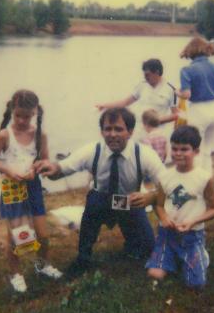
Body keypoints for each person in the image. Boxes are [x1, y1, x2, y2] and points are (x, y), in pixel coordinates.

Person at [34, 107, 167, 279]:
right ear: (102, 131)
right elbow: (62, 168)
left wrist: (151, 197)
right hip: (101, 199)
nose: (112, 134)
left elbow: (168, 184)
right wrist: (51, 168)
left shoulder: (144, 154)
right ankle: (83, 257)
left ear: (130, 132)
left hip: (128, 201)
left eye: (118, 129)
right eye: (107, 129)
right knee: (90, 216)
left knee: (148, 248)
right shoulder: (92, 150)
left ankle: (132, 244)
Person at [0, 89, 62, 293]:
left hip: (33, 187)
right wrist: (8, 170)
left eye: (26, 116)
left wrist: (37, 168)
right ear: (12, 110)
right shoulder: (4, 135)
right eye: (18, 115)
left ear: (34, 113)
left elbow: (44, 159)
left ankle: (42, 265)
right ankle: (16, 274)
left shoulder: (39, 134)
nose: (21, 120)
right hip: (12, 189)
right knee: (17, 236)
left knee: (42, 235)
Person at [144, 125, 214, 289]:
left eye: (184, 149)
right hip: (167, 234)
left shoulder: (203, 178)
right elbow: (159, 205)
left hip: (192, 235)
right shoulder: (165, 176)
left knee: (196, 284)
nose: (178, 154)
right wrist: (164, 218)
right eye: (174, 149)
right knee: (154, 274)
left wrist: (193, 221)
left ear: (196, 151)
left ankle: (200, 255)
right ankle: (174, 256)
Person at [177, 37, 214, 173]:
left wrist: (178, 93)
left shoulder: (187, 70)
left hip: (198, 110)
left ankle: (196, 182)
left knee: (196, 149)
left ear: (191, 52)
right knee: (207, 150)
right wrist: (212, 91)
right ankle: (207, 181)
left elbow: (187, 95)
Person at [95, 59, 178, 134]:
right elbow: (125, 102)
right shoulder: (141, 86)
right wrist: (105, 106)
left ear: (157, 72)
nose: (145, 77)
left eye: (147, 75)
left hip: (157, 132)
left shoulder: (171, 90)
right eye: (144, 75)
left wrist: (157, 120)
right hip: (139, 130)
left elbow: (176, 114)